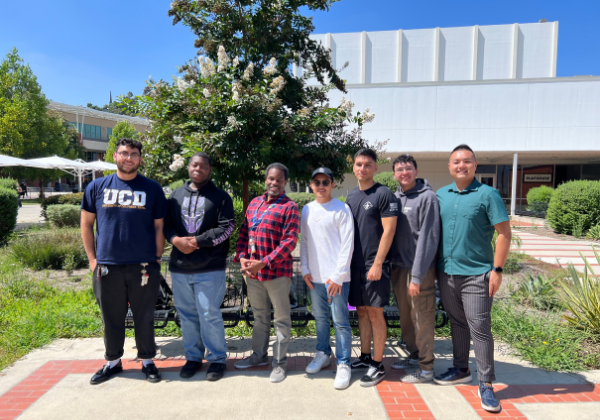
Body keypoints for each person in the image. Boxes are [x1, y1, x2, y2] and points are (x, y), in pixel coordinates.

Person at [81, 138, 167, 385]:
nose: (128, 158)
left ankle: (148, 361)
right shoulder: (96, 187)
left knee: (144, 315)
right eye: (124, 153)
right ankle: (112, 361)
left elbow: (159, 226)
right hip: (107, 266)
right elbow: (86, 224)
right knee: (111, 316)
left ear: (140, 159)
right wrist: (92, 260)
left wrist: (157, 259)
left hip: (143, 266)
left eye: (134, 154)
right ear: (115, 156)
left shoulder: (152, 189)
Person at [433, 144, 511, 413]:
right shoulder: (441, 195)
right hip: (446, 273)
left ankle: (487, 383)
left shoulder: (488, 194)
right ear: (449, 166)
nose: (461, 166)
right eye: (456, 162)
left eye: (467, 161)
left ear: (475, 165)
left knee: (479, 327)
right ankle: (460, 367)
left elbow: (504, 234)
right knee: (457, 322)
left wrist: (497, 271)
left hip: (477, 275)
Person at [163, 152, 235, 381]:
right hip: (180, 268)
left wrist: (196, 241)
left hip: (210, 268)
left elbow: (227, 227)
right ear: (188, 167)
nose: (198, 169)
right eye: (194, 165)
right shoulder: (175, 195)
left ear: (210, 169)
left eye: (203, 166)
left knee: (209, 314)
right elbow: (166, 224)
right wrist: (175, 240)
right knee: (187, 315)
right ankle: (193, 357)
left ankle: (217, 359)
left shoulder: (220, 196)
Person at [233, 163, 299, 383]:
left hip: (277, 273)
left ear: (285, 182)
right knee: (260, 317)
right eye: (270, 178)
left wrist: (264, 262)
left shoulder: (290, 207)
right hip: (253, 275)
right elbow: (244, 233)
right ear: (265, 179)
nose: (274, 183)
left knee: (281, 319)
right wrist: (242, 257)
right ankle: (258, 356)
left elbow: (289, 242)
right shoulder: (254, 204)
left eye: (279, 180)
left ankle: (279, 364)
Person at [346, 149, 398, 387]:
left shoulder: (383, 194)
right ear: (354, 168)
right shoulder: (351, 197)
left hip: (374, 265)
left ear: (376, 167)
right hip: (354, 267)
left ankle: (377, 365)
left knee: (375, 313)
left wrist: (377, 264)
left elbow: (389, 230)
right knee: (362, 312)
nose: (362, 168)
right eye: (359, 164)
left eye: (368, 164)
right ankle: (365, 356)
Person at [300, 167, 354, 390]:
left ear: (332, 184)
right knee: (321, 319)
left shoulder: (342, 209)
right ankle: (323, 353)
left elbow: (347, 244)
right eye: (316, 182)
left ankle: (343, 363)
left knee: (340, 321)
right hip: (315, 277)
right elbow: (303, 242)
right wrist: (304, 268)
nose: (320, 186)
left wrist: (338, 275)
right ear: (311, 185)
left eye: (325, 181)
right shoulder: (306, 209)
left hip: (337, 279)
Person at [389, 154, 440, 383]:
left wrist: (417, 276)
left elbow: (428, 238)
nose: (404, 172)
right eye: (399, 169)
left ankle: (426, 368)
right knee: (407, 318)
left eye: (408, 168)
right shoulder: (395, 198)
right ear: (394, 174)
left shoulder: (427, 198)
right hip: (399, 269)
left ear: (416, 171)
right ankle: (414, 355)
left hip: (419, 272)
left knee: (422, 318)